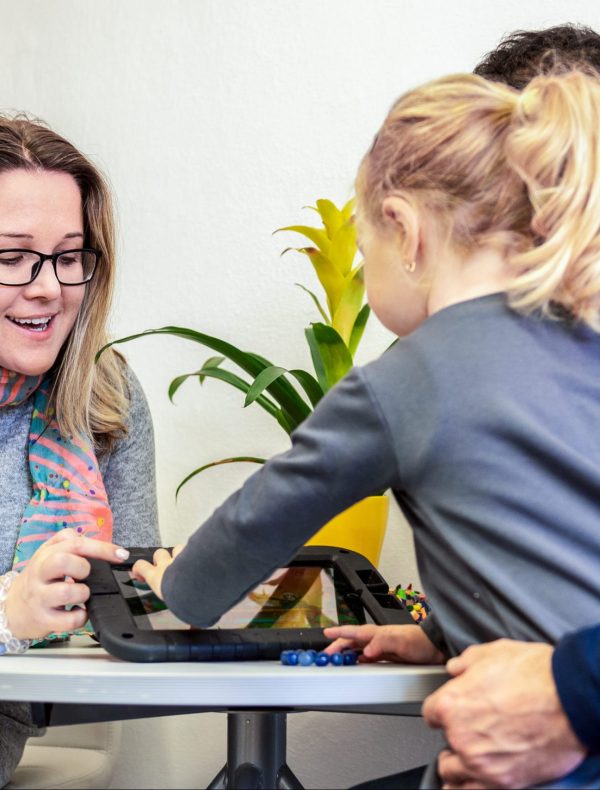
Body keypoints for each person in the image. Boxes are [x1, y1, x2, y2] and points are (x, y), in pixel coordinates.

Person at [132, 47, 600, 787]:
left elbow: (261, 517)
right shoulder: (584, 345)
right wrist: (439, 635)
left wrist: (178, 587)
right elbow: (557, 552)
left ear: (403, 228)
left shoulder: (409, 378)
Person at [0, 116, 160, 786]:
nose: (48, 287)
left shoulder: (105, 395)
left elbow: (136, 603)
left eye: (69, 257)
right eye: (11, 258)